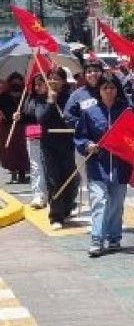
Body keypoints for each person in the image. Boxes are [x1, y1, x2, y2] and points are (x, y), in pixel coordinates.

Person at [74, 72, 133, 257]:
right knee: (99, 201)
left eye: (112, 87)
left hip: (120, 165)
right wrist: (87, 145)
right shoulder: (89, 112)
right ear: (98, 90)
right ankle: (97, 239)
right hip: (97, 165)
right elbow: (80, 137)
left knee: (116, 203)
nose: (109, 91)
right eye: (105, 87)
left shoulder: (126, 112)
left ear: (117, 90)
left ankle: (114, 237)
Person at [37, 67, 78, 230]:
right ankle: (56, 215)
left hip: (68, 144)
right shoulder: (41, 99)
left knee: (71, 179)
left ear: (63, 81)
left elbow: (74, 118)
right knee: (54, 181)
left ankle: (67, 208)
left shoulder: (71, 98)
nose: (53, 81)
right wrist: (50, 102)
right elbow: (41, 119)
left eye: (57, 79)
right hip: (49, 145)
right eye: (51, 78)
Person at [18, 74, 48, 207]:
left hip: (49, 137)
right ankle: (38, 194)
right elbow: (27, 116)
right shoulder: (30, 98)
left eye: (40, 83)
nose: (37, 87)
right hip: (33, 136)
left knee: (49, 165)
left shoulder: (51, 99)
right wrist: (19, 116)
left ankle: (51, 193)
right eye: (36, 84)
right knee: (36, 166)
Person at [0, 72, 31, 183]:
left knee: (22, 151)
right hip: (8, 126)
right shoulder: (4, 96)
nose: (16, 82)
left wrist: (21, 115)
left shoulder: (26, 95)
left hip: (22, 126)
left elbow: (29, 110)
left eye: (18, 80)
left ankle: (22, 173)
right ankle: (13, 172)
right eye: (13, 80)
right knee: (10, 151)